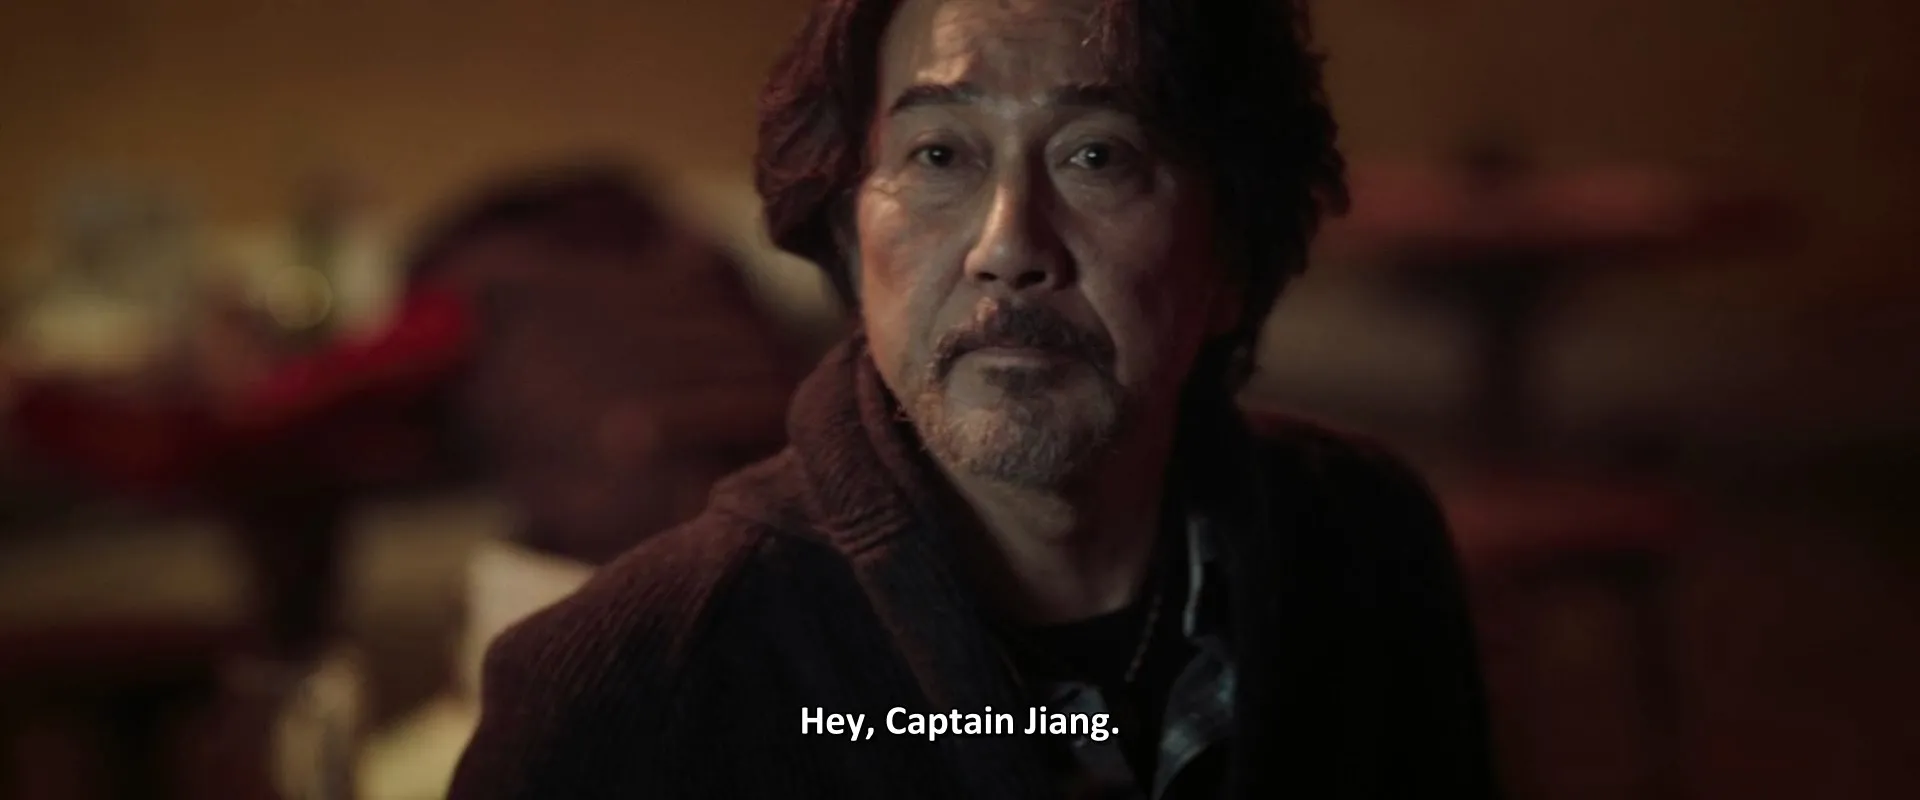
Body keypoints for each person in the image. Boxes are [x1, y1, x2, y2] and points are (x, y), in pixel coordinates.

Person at [449, 0, 1500, 798]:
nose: (1008, 247)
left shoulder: (1363, 544)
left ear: (1230, 251)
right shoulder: (635, 684)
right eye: (939, 154)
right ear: (850, 242)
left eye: (1097, 155)